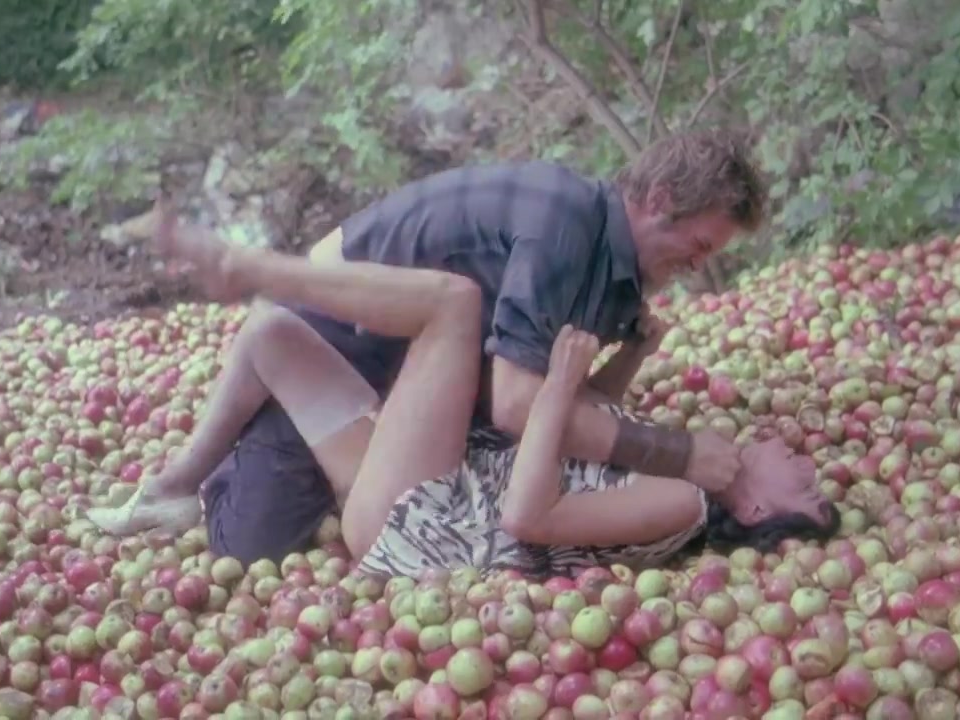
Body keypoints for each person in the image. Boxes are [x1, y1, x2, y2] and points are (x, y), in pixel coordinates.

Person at [87, 131, 788, 564]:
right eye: (700, 245)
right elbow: (520, 407)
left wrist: (632, 357)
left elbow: (561, 411)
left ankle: (190, 477)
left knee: (252, 546)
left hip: (427, 413)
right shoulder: (566, 224)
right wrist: (677, 452)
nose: (698, 265)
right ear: (659, 199)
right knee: (255, 532)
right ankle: (250, 277)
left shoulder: (622, 284)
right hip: (343, 327)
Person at [136, 232, 839, 574]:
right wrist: (631, 358)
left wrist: (556, 384)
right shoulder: (687, 469)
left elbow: (531, 516)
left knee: (455, 304)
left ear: (755, 510)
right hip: (438, 484)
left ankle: (256, 266)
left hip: (426, 519)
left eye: (804, 489)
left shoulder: (683, 504)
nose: (807, 467)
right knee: (273, 338)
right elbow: (580, 441)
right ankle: (179, 488)